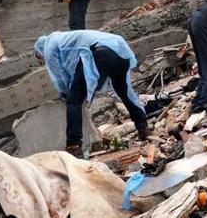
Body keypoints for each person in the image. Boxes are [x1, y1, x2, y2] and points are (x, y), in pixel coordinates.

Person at [34, 30, 149, 158]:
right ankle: (143, 127)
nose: (42, 60)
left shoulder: (49, 47)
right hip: (119, 50)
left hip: (98, 53)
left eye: (40, 57)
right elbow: (73, 70)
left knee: (73, 100)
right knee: (123, 91)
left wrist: (65, 93)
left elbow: (59, 77)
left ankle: (74, 146)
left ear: (40, 50)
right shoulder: (64, 39)